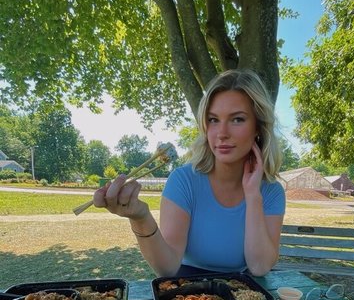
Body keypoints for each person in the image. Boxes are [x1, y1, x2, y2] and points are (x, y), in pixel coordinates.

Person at [93, 69, 286, 277]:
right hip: (189, 288)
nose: (222, 133)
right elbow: (167, 268)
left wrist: (253, 195)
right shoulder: (183, 181)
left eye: (237, 119)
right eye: (213, 120)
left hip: (242, 290)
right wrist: (140, 218)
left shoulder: (272, 191)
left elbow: (259, 267)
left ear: (258, 127)